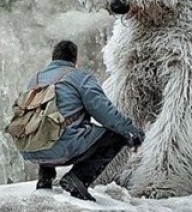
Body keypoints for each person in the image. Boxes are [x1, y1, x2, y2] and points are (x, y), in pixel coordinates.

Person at [20, 40, 145, 201]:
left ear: (53, 58)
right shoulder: (79, 77)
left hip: (30, 148)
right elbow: (105, 112)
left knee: (47, 122)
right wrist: (132, 131)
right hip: (61, 147)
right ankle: (78, 177)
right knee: (116, 136)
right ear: (74, 59)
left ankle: (45, 178)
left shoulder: (36, 79)